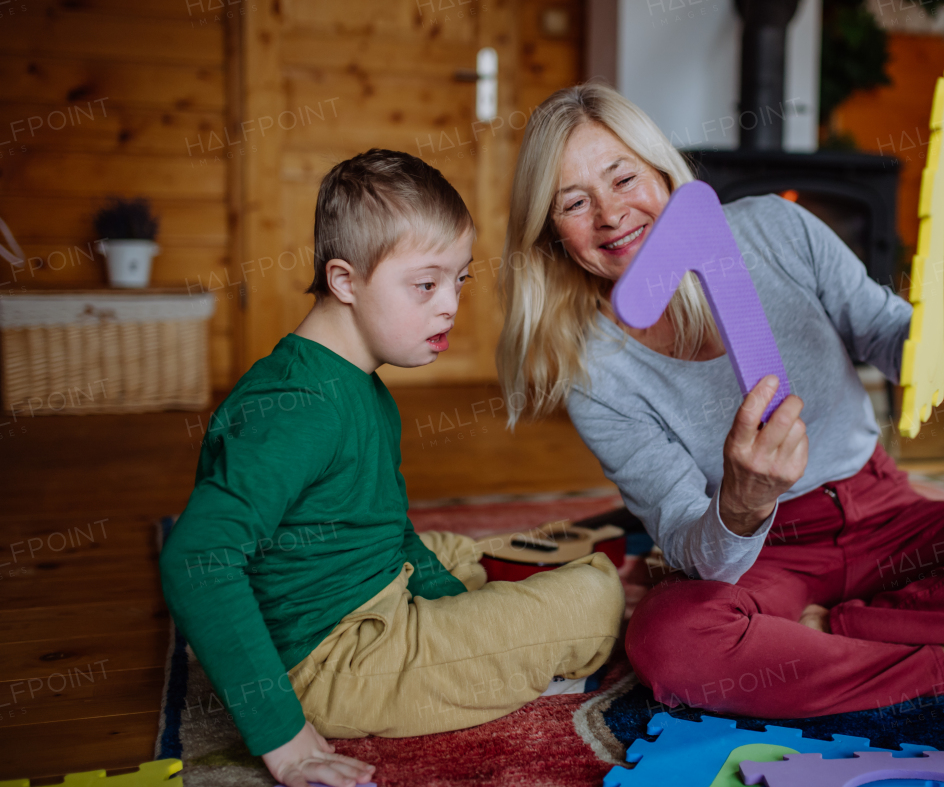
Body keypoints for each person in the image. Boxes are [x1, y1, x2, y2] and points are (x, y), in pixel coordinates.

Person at [496, 83, 944, 719]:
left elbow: (891, 340)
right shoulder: (591, 371)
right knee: (668, 640)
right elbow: (697, 552)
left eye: (622, 177)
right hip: (767, 556)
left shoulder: (775, 228)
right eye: (573, 203)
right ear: (552, 233)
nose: (611, 214)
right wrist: (744, 500)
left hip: (887, 511)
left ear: (663, 174)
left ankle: (843, 631)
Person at [160, 149, 624, 787]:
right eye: (426, 284)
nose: (450, 305)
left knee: (454, 551)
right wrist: (285, 737)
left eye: (460, 280)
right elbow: (197, 559)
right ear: (346, 281)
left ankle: (484, 617)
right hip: (334, 663)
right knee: (596, 595)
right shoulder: (298, 410)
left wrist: (460, 610)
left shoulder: (356, 384)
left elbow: (384, 527)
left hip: (366, 591)